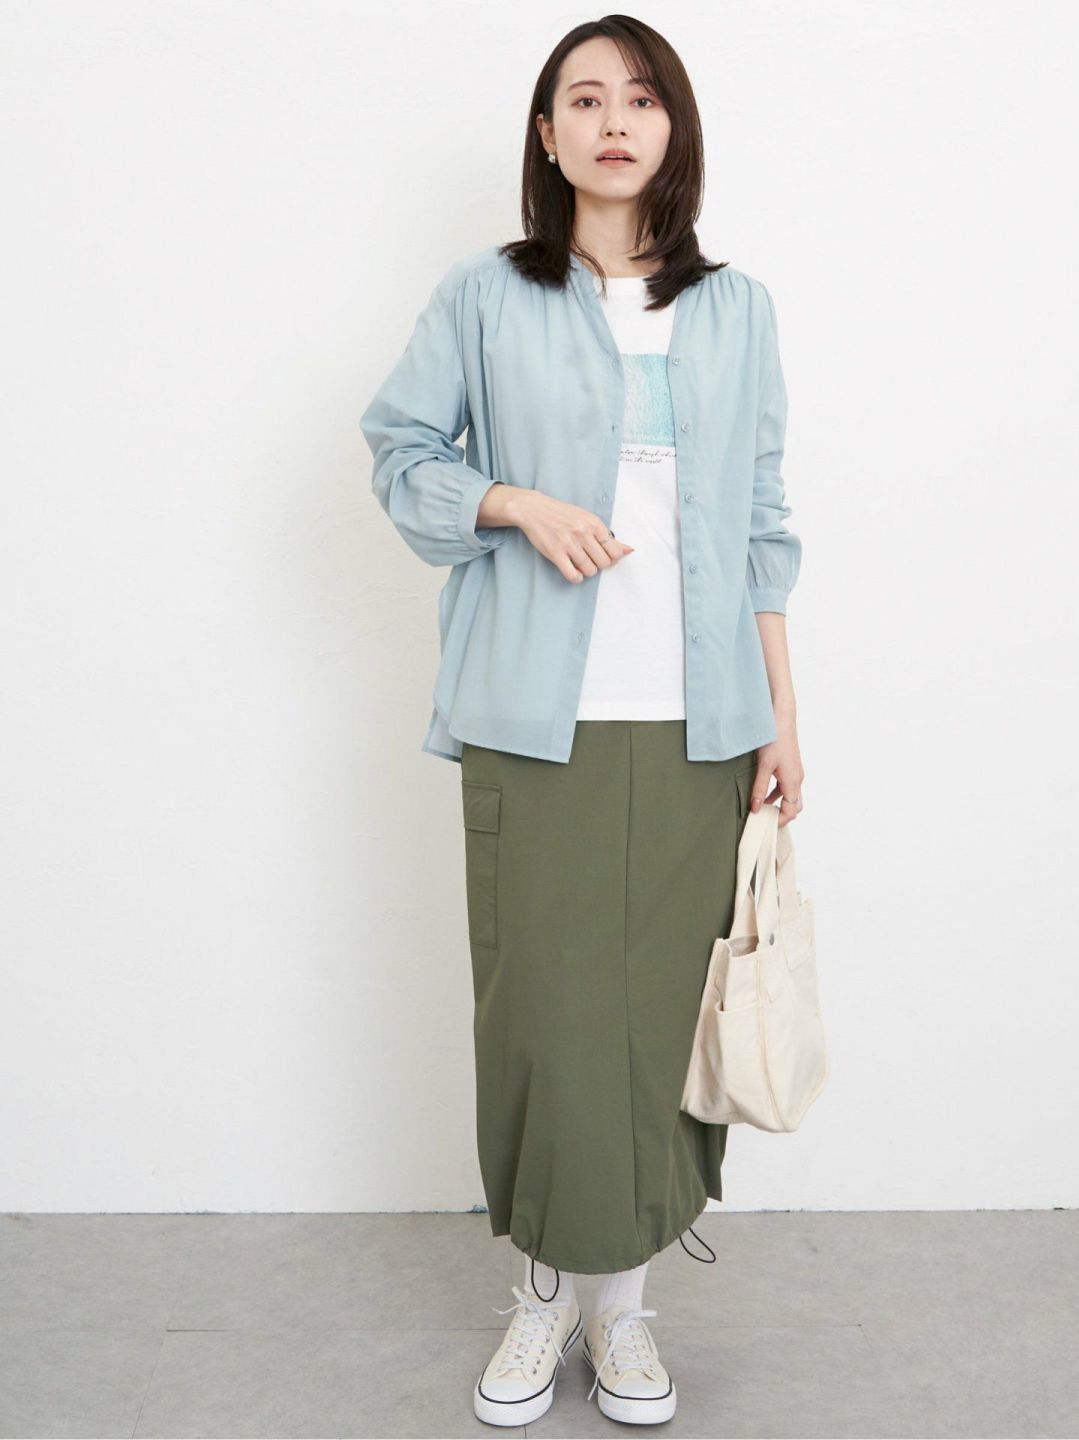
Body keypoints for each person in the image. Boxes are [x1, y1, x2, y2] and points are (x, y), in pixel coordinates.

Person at [358, 15, 804, 1428]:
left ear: (675, 129)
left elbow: (763, 528)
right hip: (531, 718)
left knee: (658, 1026)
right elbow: (399, 451)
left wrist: (783, 718)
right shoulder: (486, 296)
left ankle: (626, 1313)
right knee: (545, 1017)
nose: (616, 121)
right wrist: (510, 502)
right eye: (586, 99)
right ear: (547, 137)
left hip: (698, 724)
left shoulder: (739, 311)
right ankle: (545, 1293)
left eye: (643, 98)